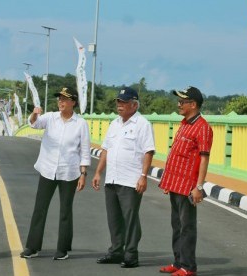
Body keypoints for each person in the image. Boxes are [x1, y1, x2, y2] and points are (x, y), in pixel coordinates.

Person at [20, 87, 91, 260]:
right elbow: (34, 123)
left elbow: (85, 150)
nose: (61, 102)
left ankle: (63, 249)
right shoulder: (50, 118)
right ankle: (33, 247)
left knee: (65, 210)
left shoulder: (80, 123)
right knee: (40, 208)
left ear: (73, 102)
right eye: (59, 98)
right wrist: (34, 114)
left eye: (65, 99)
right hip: (48, 169)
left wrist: (83, 174)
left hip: (69, 171)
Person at [92, 87, 155, 268]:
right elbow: (106, 149)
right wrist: (98, 172)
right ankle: (116, 251)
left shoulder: (142, 124)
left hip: (130, 180)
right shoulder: (114, 123)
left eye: (124, 102)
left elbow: (148, 151)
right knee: (114, 219)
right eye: (118, 102)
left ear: (134, 105)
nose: (120, 105)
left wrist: (143, 176)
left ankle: (131, 255)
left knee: (130, 218)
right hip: (111, 179)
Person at [158, 86, 213, 276]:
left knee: (187, 228)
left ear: (193, 104)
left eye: (182, 102)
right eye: (179, 101)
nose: (179, 104)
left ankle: (188, 267)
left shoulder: (203, 128)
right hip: (175, 184)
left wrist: (199, 187)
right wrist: (168, 182)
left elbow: (204, 159)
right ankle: (178, 262)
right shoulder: (184, 124)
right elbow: (177, 155)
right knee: (177, 226)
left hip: (188, 187)